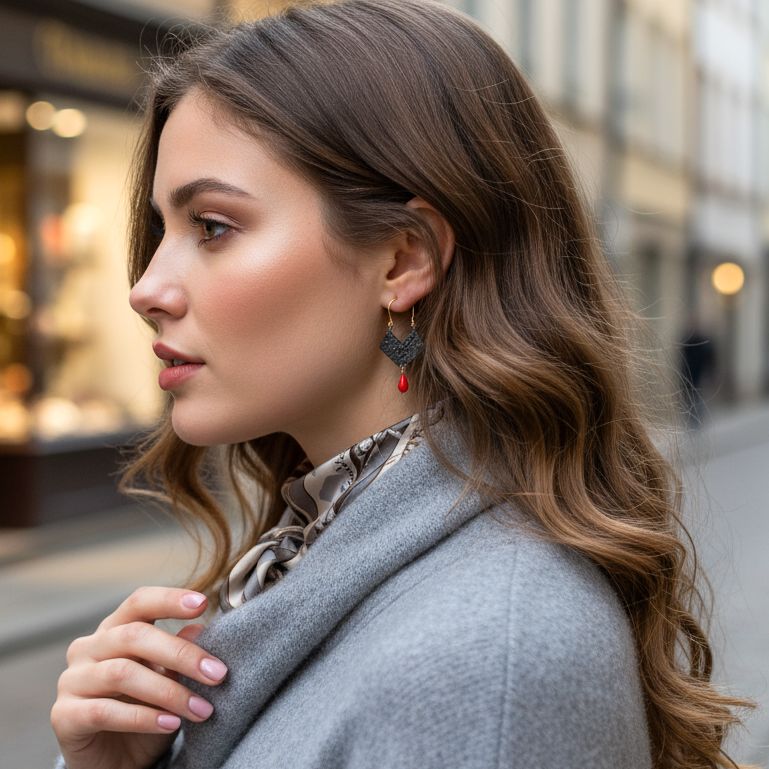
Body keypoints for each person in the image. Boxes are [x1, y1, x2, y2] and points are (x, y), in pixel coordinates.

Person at [50, 1, 755, 768]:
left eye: (213, 227)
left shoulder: (485, 665)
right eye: (162, 231)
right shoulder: (325, 544)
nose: (146, 287)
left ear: (401, 261)